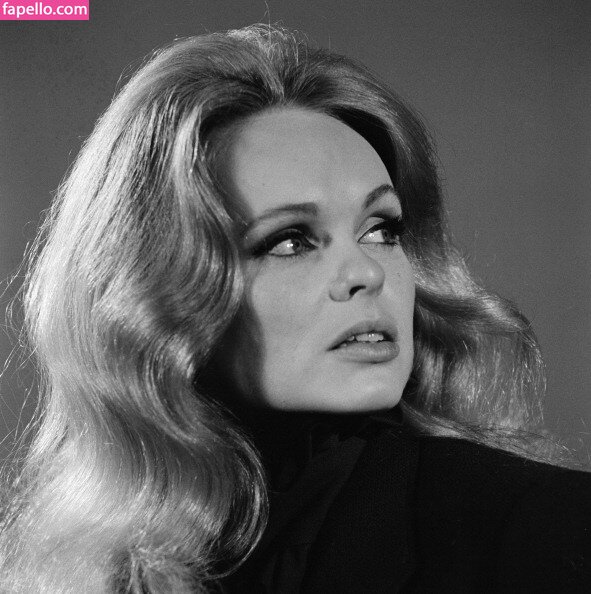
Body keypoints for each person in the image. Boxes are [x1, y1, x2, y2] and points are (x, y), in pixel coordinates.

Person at [0, 24, 589, 593]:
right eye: (291, 241)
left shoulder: (544, 526)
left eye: (381, 230)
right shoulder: (101, 563)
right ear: (159, 292)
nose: (367, 273)